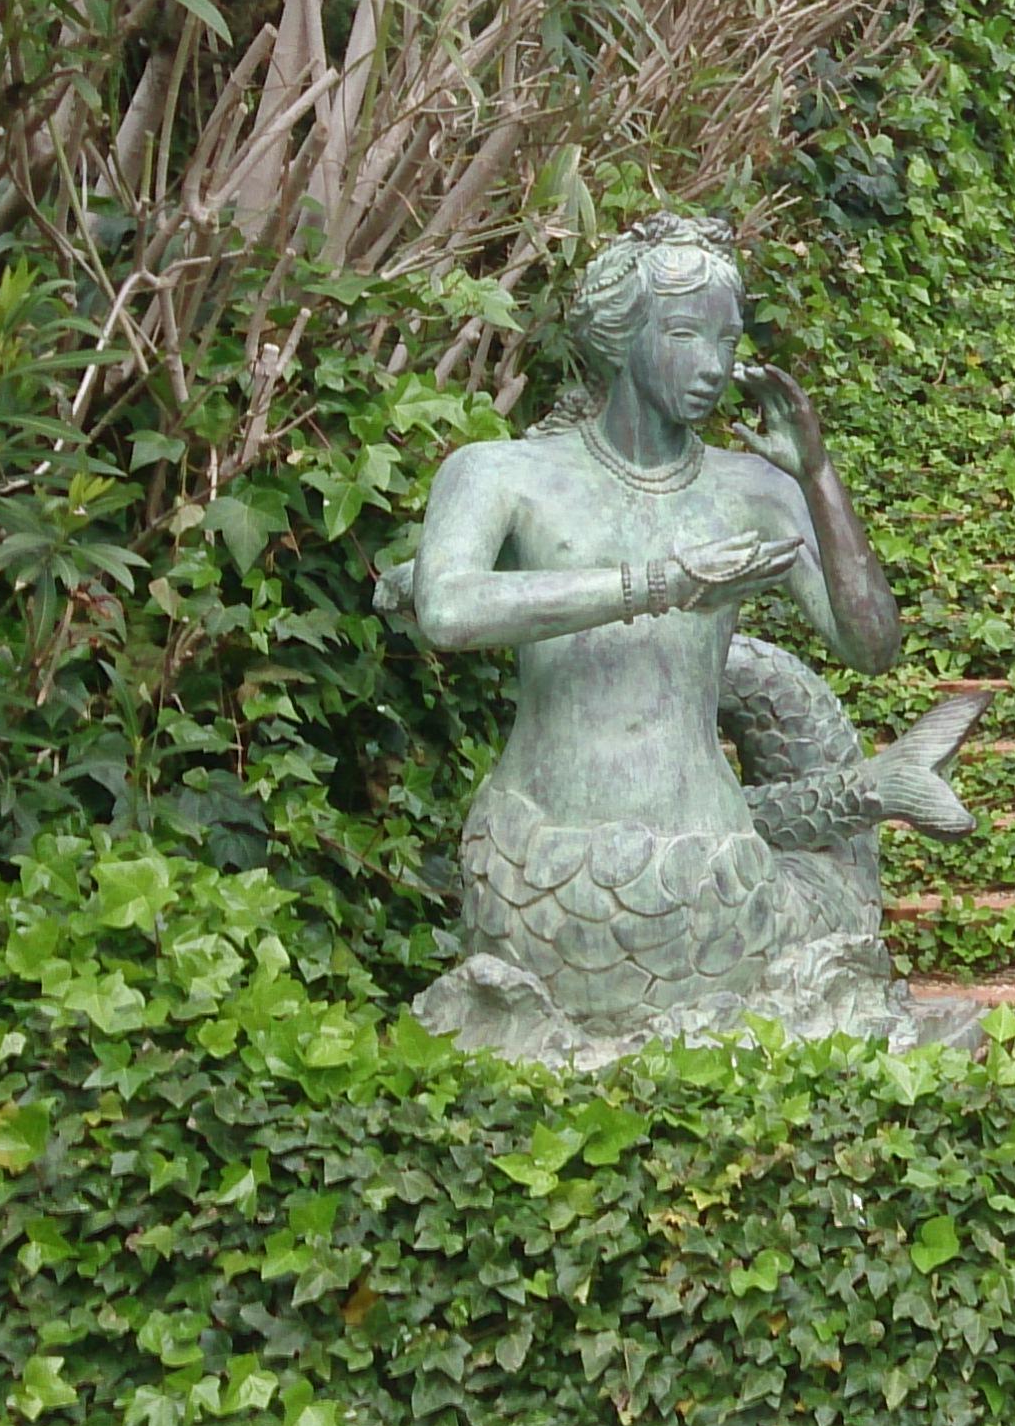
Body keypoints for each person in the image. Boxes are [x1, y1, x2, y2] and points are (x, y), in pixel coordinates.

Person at [397, 213, 982, 1059]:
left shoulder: (751, 487)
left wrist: (818, 478)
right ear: (618, 335)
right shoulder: (501, 474)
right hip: (532, 872)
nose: (712, 367)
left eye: (728, 340)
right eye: (682, 335)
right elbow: (447, 610)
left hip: (711, 877)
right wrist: (664, 584)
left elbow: (871, 647)